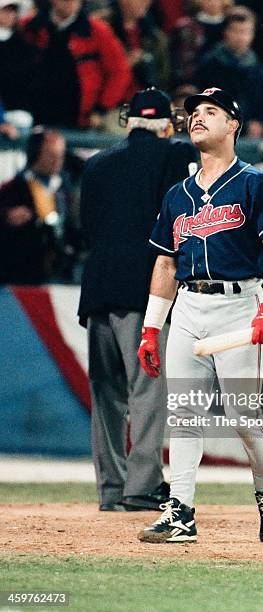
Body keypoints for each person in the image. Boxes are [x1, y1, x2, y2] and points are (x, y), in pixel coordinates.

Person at [137, 87, 263, 543]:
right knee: (183, 414)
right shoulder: (177, 195)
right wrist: (150, 327)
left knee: (244, 415)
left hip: (238, 306)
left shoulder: (255, 183)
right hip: (188, 306)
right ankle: (179, 512)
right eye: (192, 113)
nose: (196, 118)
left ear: (233, 125)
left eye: (210, 111)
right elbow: (165, 263)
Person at [78, 88, 197, 512]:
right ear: (167, 124)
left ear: (128, 122)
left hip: (97, 292)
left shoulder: (96, 164)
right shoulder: (174, 155)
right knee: (147, 391)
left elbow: (85, 231)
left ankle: (111, 489)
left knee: (106, 394)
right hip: (144, 292)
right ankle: (142, 487)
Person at [21, 0, 132, 129]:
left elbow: (119, 72)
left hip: (78, 117)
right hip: (35, 114)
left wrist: (101, 109)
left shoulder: (97, 31)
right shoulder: (29, 27)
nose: (70, 2)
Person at [0, 127, 79, 284]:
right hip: (21, 270)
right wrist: (7, 217)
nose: (58, 162)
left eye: (60, 156)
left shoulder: (64, 190)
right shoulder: (14, 188)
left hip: (58, 271)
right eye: (52, 156)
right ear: (36, 154)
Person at [194, 6, 263, 137]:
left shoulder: (258, 69)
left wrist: (259, 122)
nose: (240, 37)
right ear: (226, 32)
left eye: (245, 32)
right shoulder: (210, 64)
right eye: (236, 31)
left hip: (247, 131)